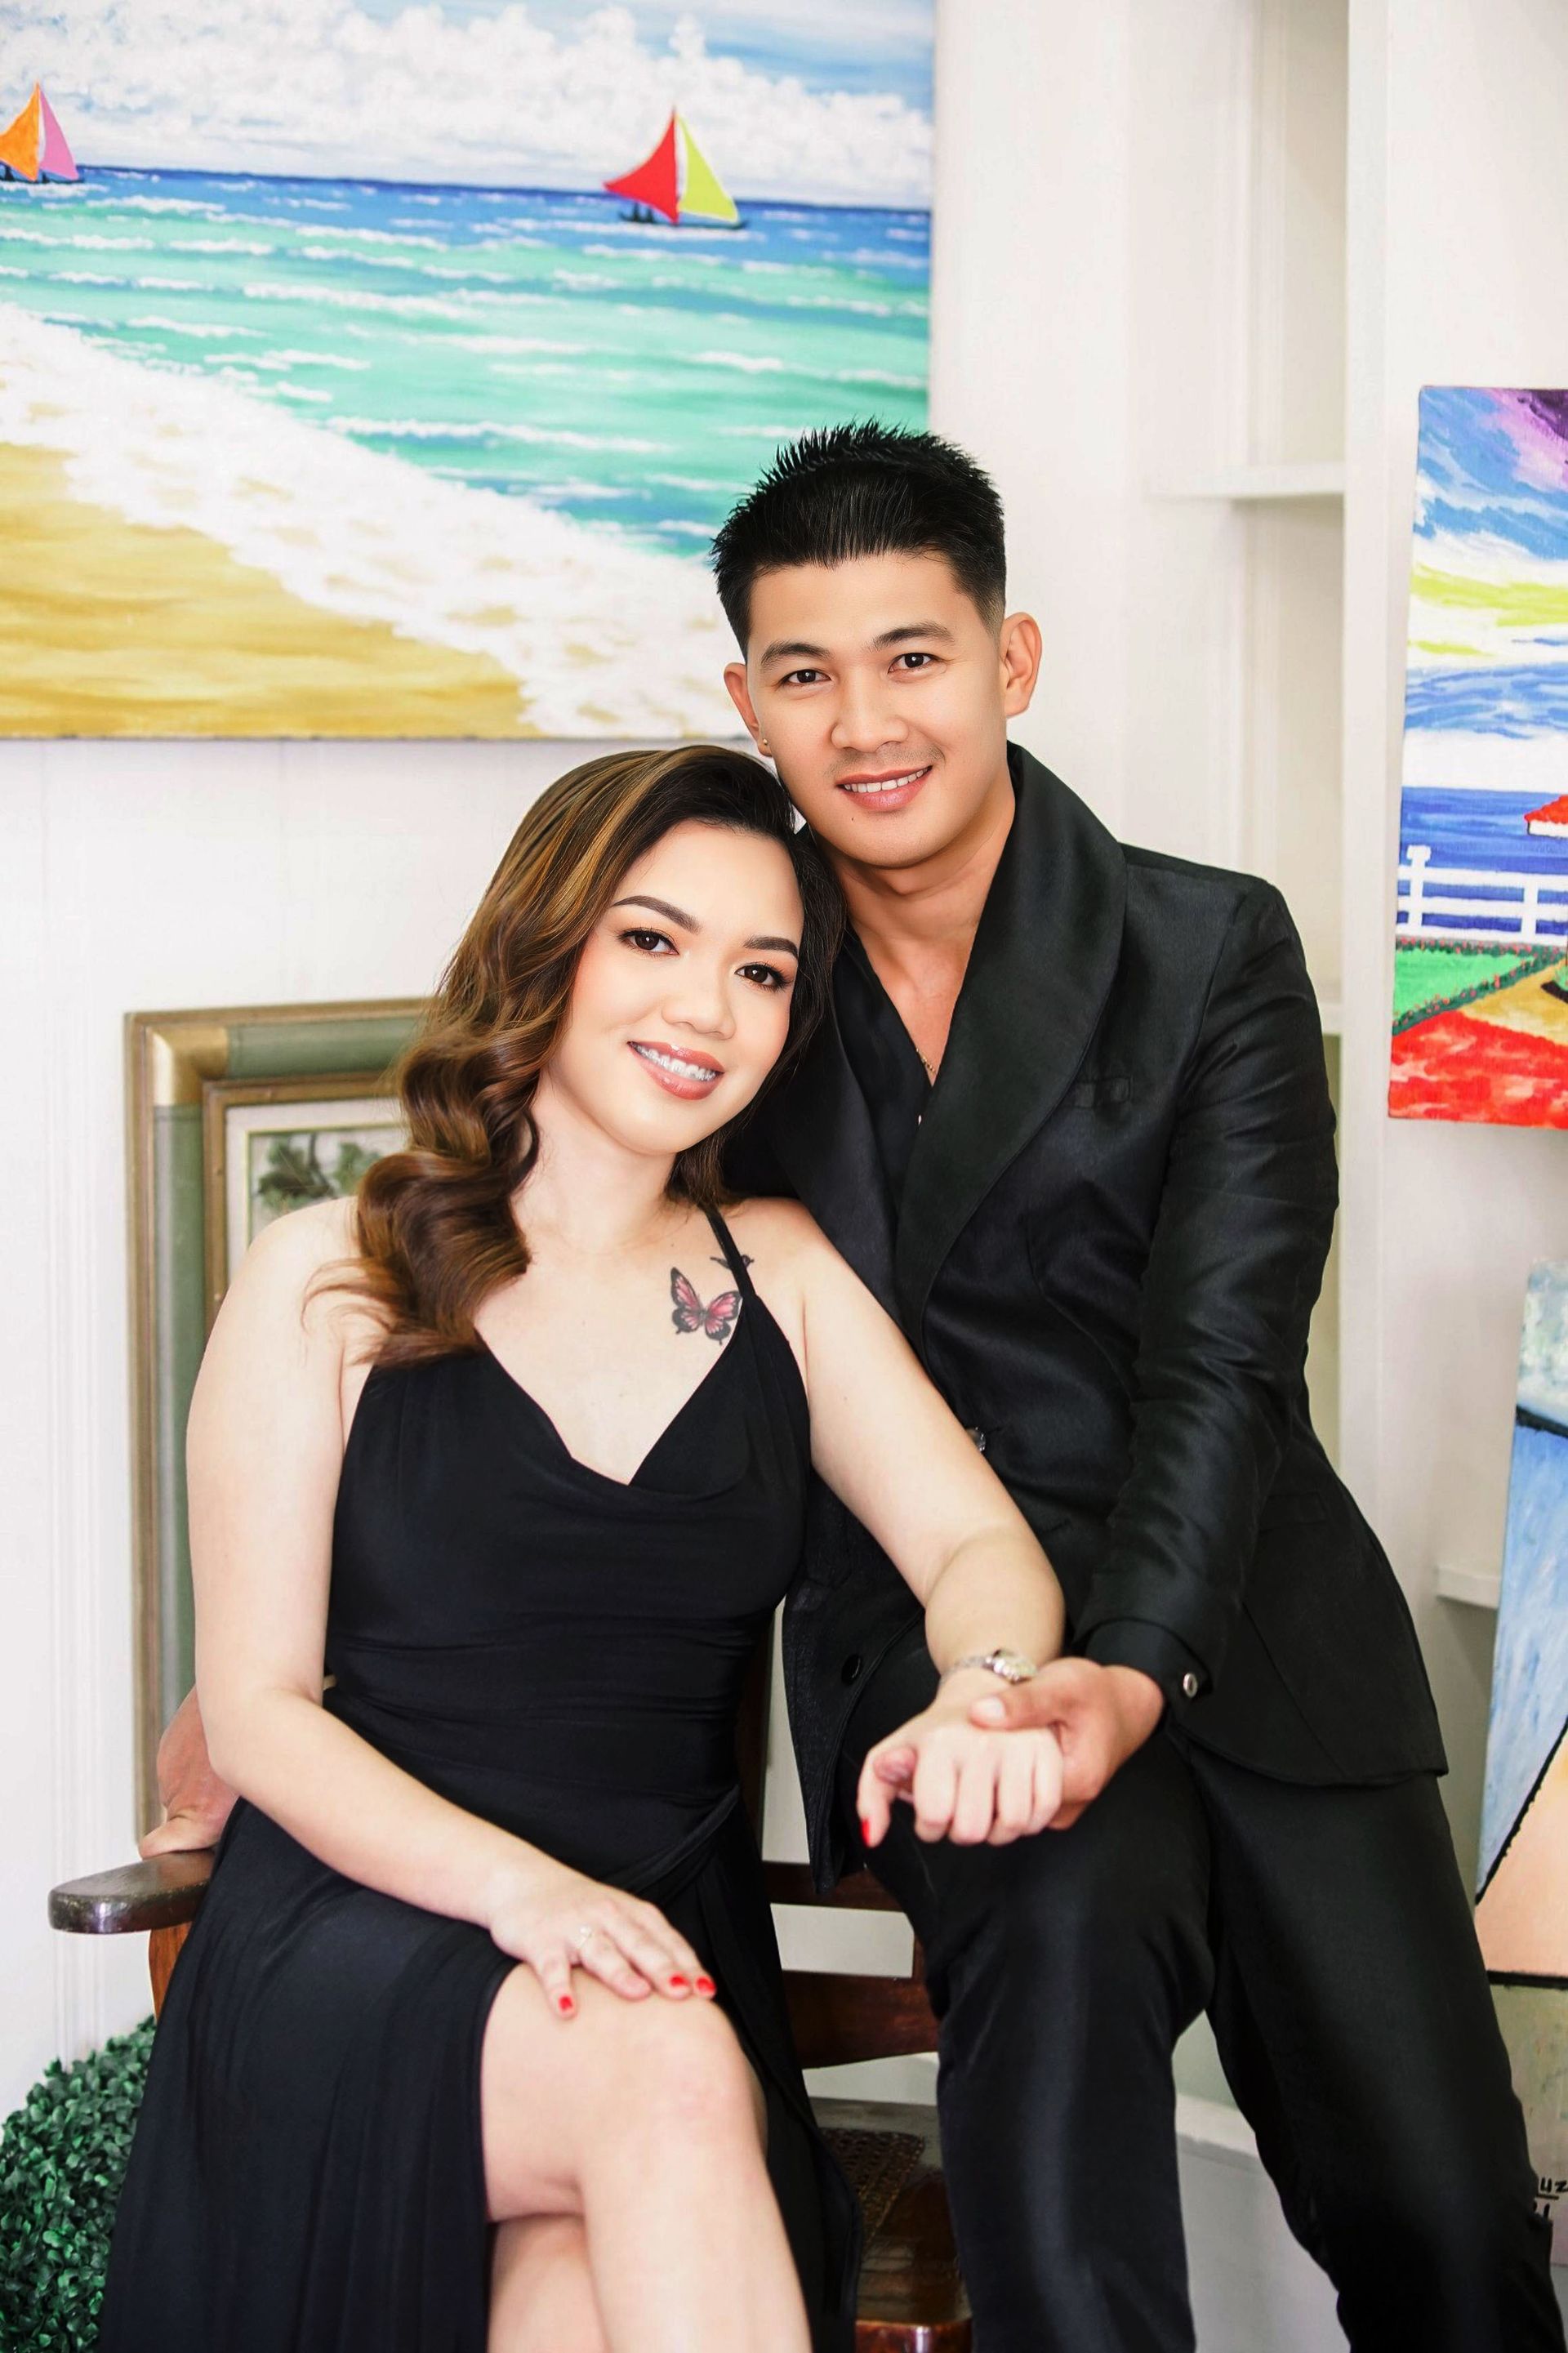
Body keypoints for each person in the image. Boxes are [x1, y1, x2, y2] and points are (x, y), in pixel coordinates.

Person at [704, 425, 1565, 2353]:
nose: (866, 723)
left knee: (1452, 2234)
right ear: (745, 700)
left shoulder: (1206, 944)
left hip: (1250, 1626)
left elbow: (1227, 1361)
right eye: (806, 671)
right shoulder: (728, 983)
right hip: (943, 1655)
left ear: (1011, 660)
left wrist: (1138, 1662)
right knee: (1063, 2185)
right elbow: (570, 1279)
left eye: (913, 657)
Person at [102, 745, 1071, 2353]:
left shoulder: (777, 1277)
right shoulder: (329, 1279)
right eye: (653, 937)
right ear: (546, 943)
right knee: (666, 2067)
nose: (708, 1006)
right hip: (362, 1935)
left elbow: (978, 1538)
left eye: (761, 970)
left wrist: (984, 1681)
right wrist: (525, 1893)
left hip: (654, 1927)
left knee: (578, 2298)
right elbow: (258, 1713)